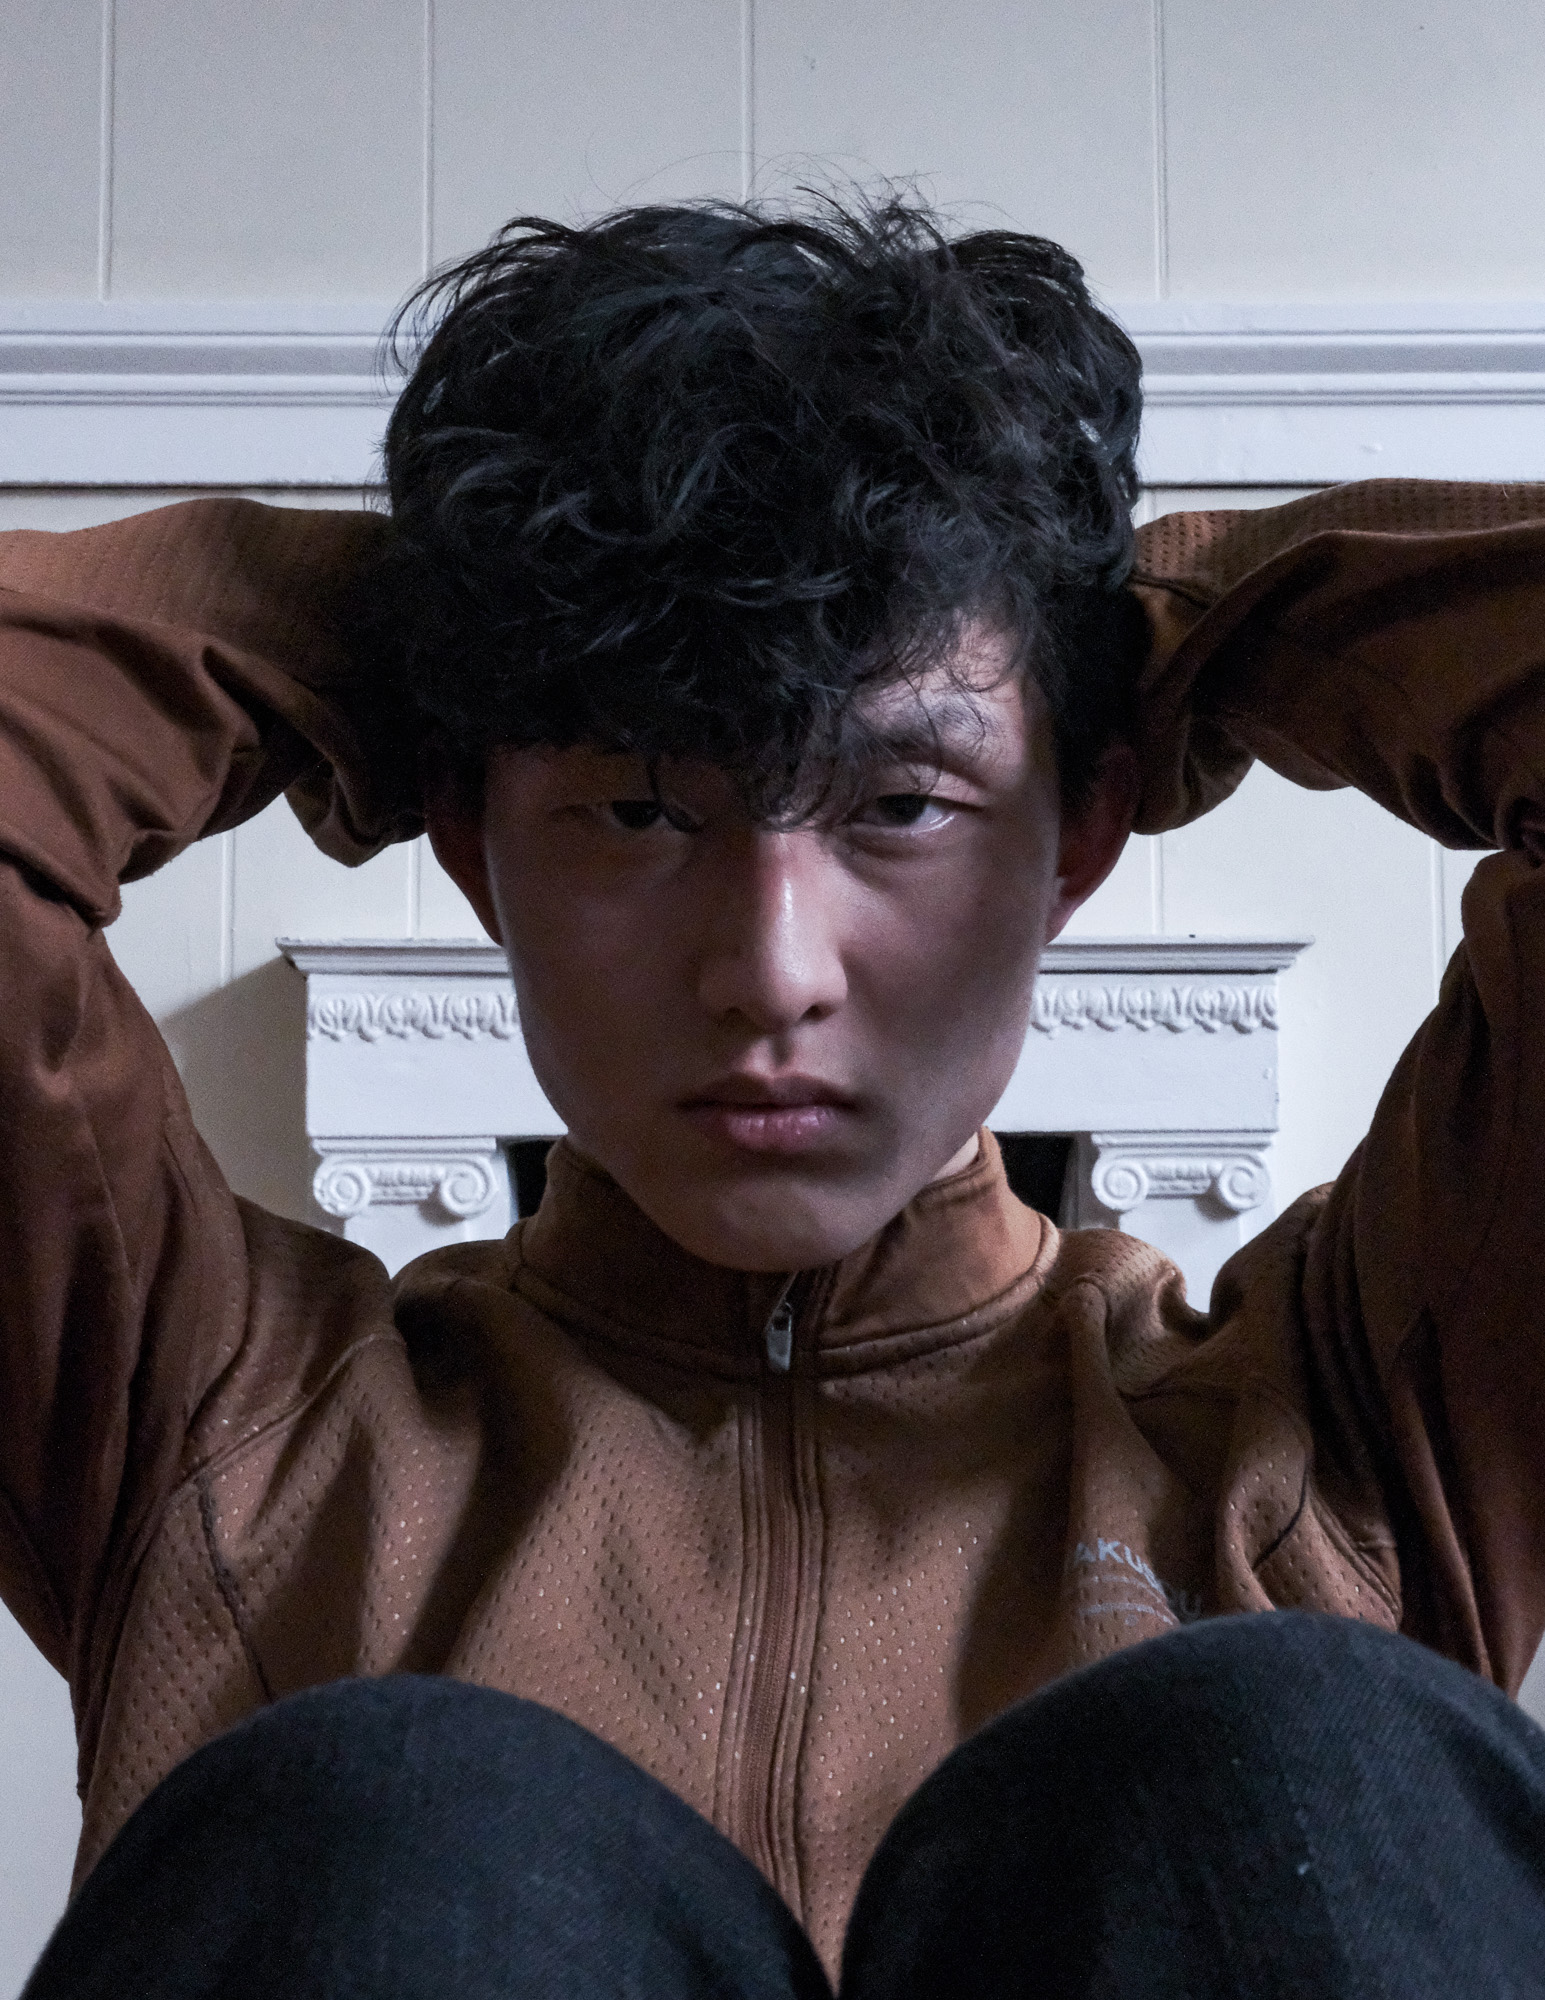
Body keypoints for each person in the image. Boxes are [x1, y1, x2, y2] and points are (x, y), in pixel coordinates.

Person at [4, 194, 1545, 1998]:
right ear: (474, 848)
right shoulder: (216, 1428)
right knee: (404, 1800)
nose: (771, 970)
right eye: (638, 807)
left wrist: (1129, 622)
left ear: (1079, 838)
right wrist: (439, 642)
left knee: (1276, 1745)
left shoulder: (1345, 1434)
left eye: (900, 805)